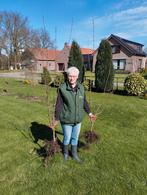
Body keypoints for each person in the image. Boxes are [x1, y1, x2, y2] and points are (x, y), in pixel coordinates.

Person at [51, 66, 96, 162]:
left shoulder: (81, 88)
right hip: (66, 119)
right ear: (67, 76)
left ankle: (74, 154)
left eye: (74, 76)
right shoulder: (62, 89)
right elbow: (59, 105)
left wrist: (90, 113)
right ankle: (65, 154)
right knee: (67, 138)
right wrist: (56, 119)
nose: (72, 78)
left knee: (75, 138)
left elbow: (84, 102)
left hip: (78, 119)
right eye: (70, 76)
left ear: (77, 77)